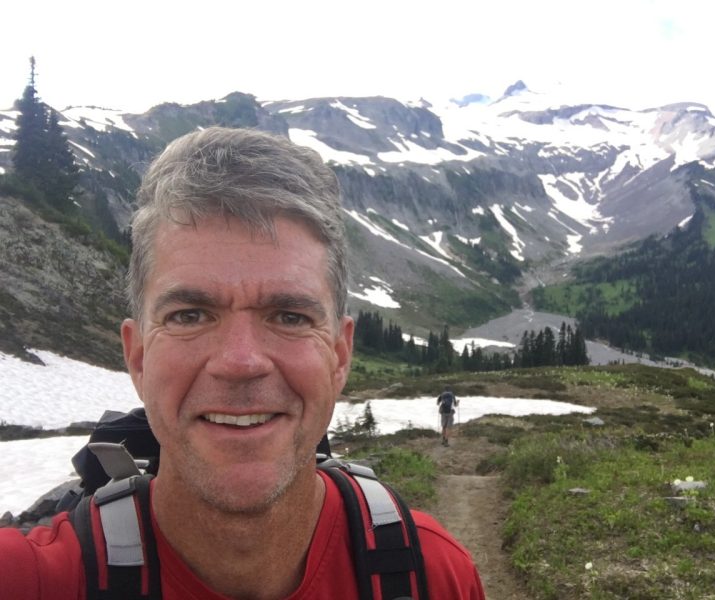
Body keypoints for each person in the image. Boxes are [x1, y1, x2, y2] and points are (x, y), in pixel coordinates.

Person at [0, 128, 485, 599]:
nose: (240, 362)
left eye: (289, 316)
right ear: (139, 355)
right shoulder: (29, 580)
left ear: (340, 354)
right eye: (189, 315)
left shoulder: (438, 576)